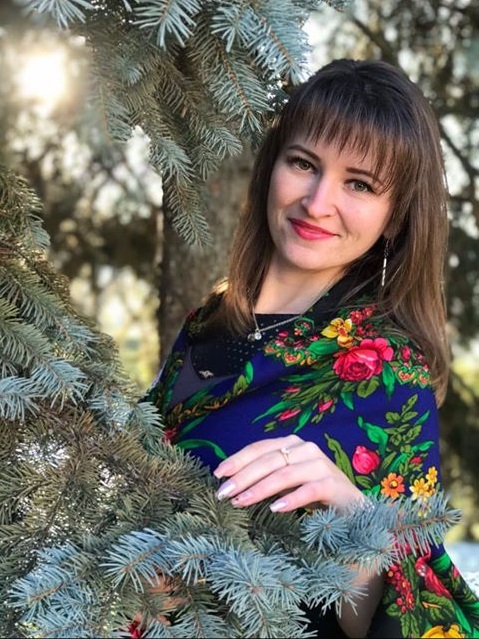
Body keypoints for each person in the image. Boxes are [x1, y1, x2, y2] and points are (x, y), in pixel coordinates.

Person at [145, 58, 479, 638]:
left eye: (359, 183)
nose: (318, 201)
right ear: (272, 167)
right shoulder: (208, 323)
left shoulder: (390, 374)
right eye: (303, 163)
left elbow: (417, 612)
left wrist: (352, 516)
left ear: (395, 217)